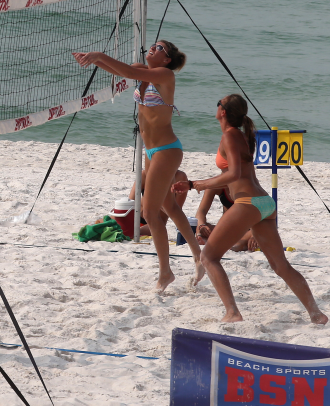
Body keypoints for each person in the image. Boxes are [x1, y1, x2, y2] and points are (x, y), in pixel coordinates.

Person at [172, 94, 326, 324]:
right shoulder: (241, 135)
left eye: (218, 103)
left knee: (208, 257)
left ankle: (232, 313)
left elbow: (233, 174)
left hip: (249, 203)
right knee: (280, 265)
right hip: (264, 202)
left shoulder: (230, 136)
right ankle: (316, 314)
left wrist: (197, 184)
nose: (216, 106)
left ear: (223, 112)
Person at [73, 41, 201, 292]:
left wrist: (100, 55)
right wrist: (93, 60)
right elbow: (123, 71)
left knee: (152, 213)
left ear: (167, 60)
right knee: (170, 207)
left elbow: (130, 73)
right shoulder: (143, 70)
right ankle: (199, 256)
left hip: (167, 150)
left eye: (160, 48)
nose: (153, 48)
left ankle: (166, 272)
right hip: (152, 151)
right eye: (154, 45)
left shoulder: (165, 75)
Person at [128, 169, 189, 237]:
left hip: (155, 223)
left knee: (134, 231)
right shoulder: (145, 174)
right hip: (136, 218)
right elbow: (130, 202)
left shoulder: (180, 177)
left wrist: (163, 206)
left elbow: (177, 212)